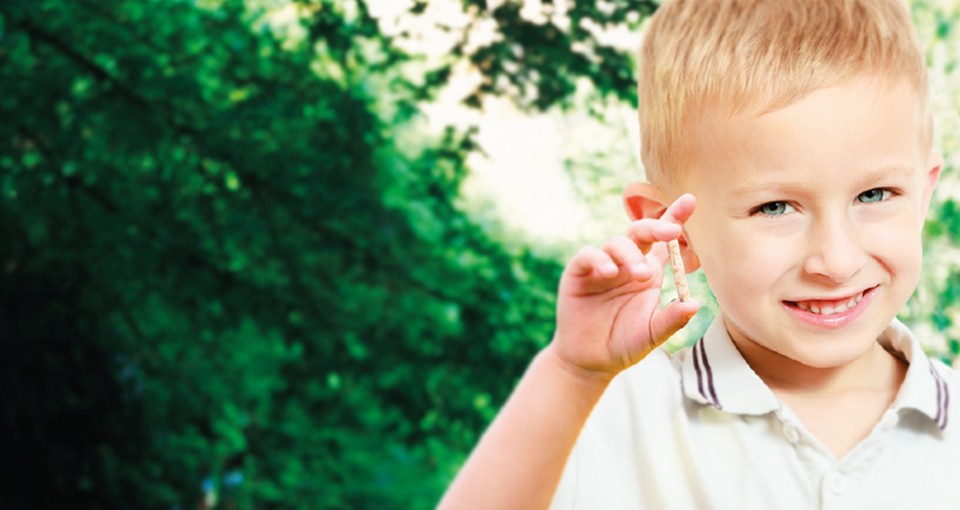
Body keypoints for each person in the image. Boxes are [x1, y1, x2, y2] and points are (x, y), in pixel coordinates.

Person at [439, 0, 959, 508]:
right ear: (676, 232)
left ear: (923, 195)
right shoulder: (621, 415)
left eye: (874, 196)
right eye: (775, 207)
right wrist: (572, 376)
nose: (837, 261)